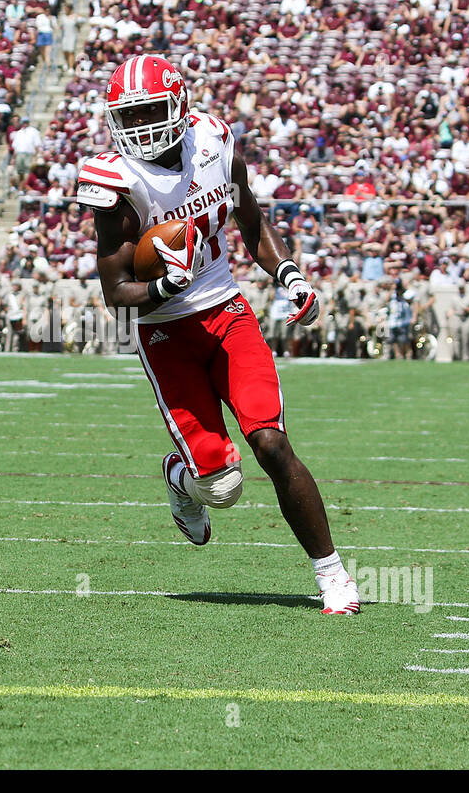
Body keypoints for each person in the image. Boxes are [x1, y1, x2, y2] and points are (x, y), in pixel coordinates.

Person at [77, 54, 359, 614]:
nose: (141, 129)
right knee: (221, 486)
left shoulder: (214, 140)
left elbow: (250, 220)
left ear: (179, 103)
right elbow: (116, 293)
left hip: (227, 312)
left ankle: (332, 574)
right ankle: (182, 477)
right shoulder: (115, 182)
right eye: (128, 118)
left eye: (151, 112)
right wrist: (163, 288)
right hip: (165, 335)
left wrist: (290, 275)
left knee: (272, 443)